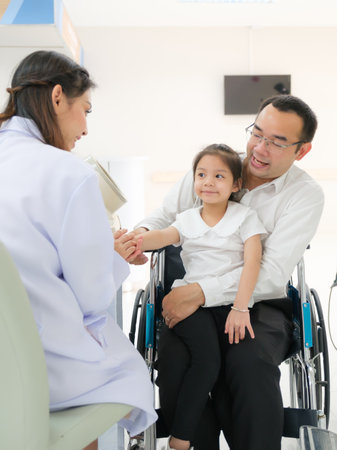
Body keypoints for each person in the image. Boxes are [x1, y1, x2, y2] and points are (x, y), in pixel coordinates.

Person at [133, 95, 324, 450]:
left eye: (277, 142)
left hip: (259, 301)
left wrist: (201, 292)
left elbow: (270, 273)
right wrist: (139, 238)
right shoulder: (215, 167)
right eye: (257, 133)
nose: (260, 149)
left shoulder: (304, 195)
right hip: (190, 298)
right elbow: (163, 218)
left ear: (302, 151)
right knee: (175, 361)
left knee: (248, 362)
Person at [0, 50, 157, 450]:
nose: (86, 126)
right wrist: (113, 259)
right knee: (123, 374)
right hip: (35, 365)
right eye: (85, 109)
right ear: (57, 98)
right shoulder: (69, 173)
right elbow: (91, 295)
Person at [127, 144, 265, 450]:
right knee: (207, 361)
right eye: (201, 174)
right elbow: (161, 237)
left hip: (231, 303)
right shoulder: (187, 218)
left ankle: (197, 437)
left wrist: (241, 307)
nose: (208, 182)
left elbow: (252, 263)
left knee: (227, 367)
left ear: (236, 184)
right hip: (191, 305)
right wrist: (135, 239)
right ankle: (181, 439)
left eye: (219, 176)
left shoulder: (246, 217)